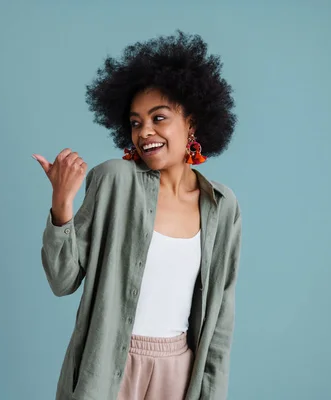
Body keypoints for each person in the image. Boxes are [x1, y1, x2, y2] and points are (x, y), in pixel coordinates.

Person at [33, 31, 242, 400]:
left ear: (191, 122)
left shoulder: (222, 206)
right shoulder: (113, 179)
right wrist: (62, 202)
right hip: (109, 365)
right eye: (135, 122)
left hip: (179, 371)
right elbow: (62, 280)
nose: (144, 132)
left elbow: (220, 320)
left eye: (158, 118)